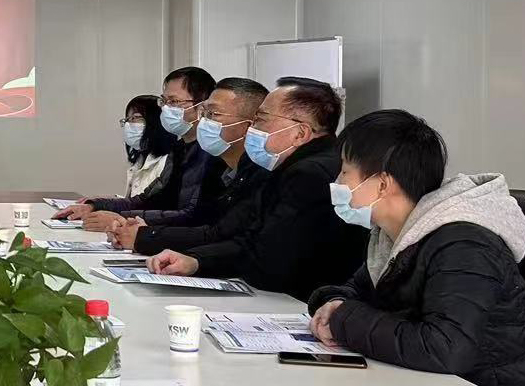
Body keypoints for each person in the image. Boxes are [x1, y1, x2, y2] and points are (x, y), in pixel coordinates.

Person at [308, 110, 525, 386]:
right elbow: (356, 291)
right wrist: (334, 303)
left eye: (344, 171)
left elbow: (445, 348)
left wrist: (343, 318)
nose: (337, 181)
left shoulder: (464, 243)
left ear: (382, 184)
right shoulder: (394, 234)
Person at [145, 77, 368, 301]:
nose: (252, 128)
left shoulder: (309, 174)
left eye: (260, 119)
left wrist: (199, 260)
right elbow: (251, 237)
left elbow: (269, 258)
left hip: (301, 302)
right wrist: (196, 261)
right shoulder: (289, 166)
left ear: (300, 133)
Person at [111, 77, 270, 257]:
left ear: (250, 125)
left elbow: (220, 235)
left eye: (213, 114)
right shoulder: (215, 163)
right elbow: (201, 221)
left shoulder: (261, 175)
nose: (204, 121)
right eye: (204, 113)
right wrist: (136, 229)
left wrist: (145, 235)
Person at [57, 67, 224, 230]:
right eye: (164, 101)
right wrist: (95, 206)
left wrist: (121, 218)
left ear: (202, 107)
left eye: (174, 102)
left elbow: (193, 216)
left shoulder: (214, 152)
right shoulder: (180, 149)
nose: (165, 109)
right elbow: (149, 200)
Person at [119, 95, 177, 198]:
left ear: (155, 121)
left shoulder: (168, 162)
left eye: (135, 118)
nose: (128, 124)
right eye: (127, 119)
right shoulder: (139, 161)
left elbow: (152, 204)